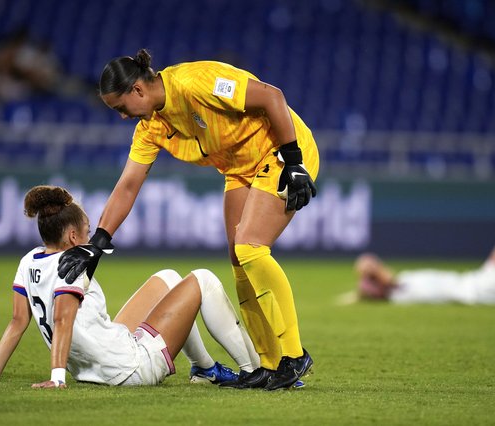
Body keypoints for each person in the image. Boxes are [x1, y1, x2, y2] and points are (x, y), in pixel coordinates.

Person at [57, 49, 318, 390]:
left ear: (138, 89)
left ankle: (294, 356)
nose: (123, 116)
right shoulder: (151, 126)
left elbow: (272, 97)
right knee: (240, 260)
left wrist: (294, 160)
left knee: (250, 247)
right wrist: (97, 242)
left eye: (121, 108)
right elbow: (128, 185)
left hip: (280, 151)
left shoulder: (197, 82)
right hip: (239, 167)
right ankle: (268, 365)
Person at [0, 185, 262, 388]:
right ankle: (254, 371)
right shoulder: (73, 264)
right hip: (131, 367)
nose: (91, 238)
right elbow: (63, 320)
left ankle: (204, 369)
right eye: (88, 232)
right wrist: (57, 378)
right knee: (204, 279)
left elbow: (17, 322)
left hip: (94, 365)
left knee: (169, 277)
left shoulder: (29, 260)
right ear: (74, 237)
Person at [341, 218, 495, 305]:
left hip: (481, 284)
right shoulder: (398, 291)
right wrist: (367, 274)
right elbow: (373, 279)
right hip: (482, 287)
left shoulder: (401, 285)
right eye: (374, 269)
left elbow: (368, 285)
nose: (378, 265)